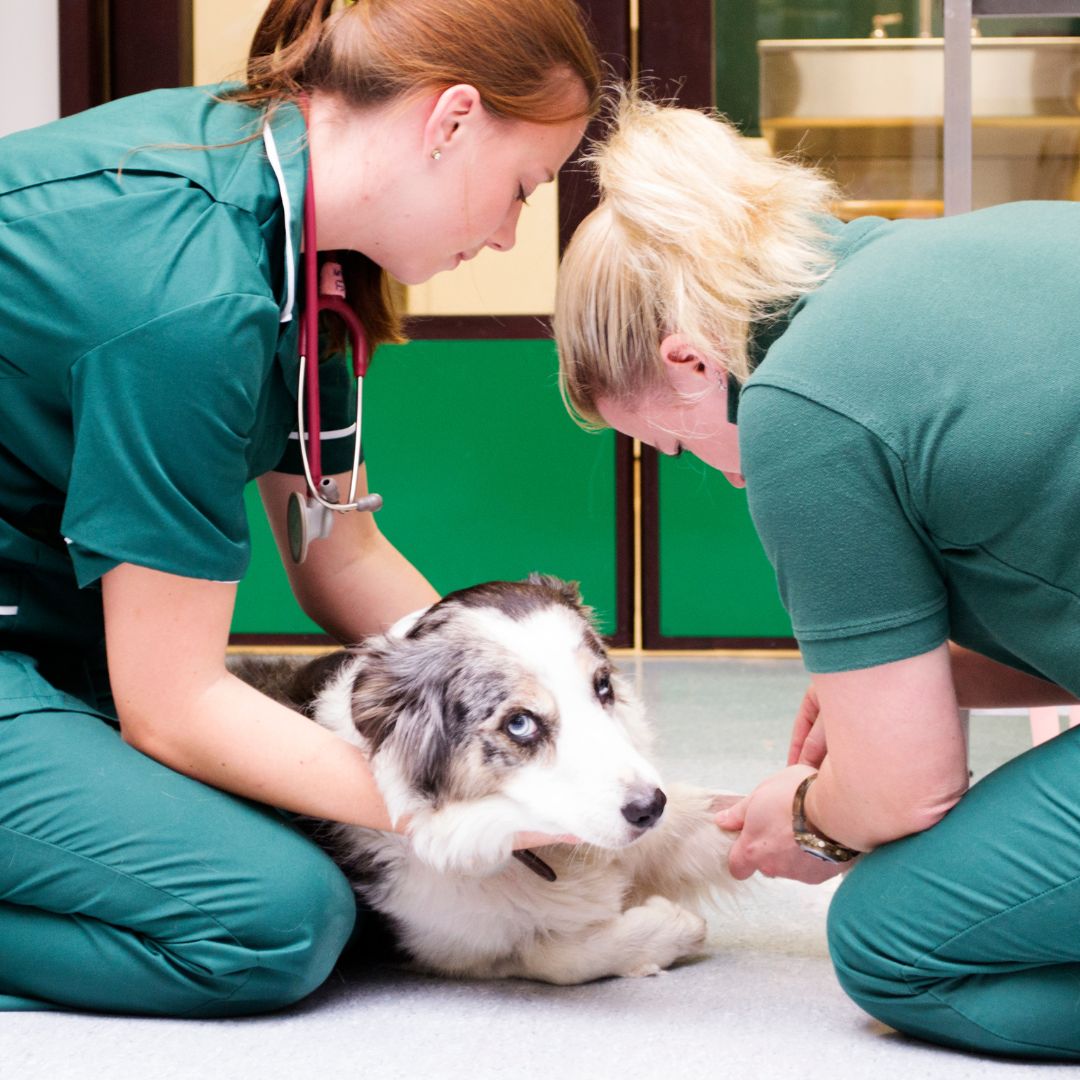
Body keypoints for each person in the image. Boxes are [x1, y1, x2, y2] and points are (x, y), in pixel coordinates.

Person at [0, 0, 600, 1016]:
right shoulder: (188, 291)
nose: (508, 237)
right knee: (272, 916)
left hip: (54, 636)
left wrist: (545, 710)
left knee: (316, 827)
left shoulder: (298, 250)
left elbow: (342, 562)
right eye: (521, 190)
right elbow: (173, 705)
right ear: (451, 120)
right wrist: (466, 803)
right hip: (70, 653)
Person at [553, 93, 1080, 1061]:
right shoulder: (929, 259)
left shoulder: (798, 403)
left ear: (691, 363)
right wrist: (937, 677)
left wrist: (803, 818)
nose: (718, 470)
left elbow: (909, 795)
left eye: (675, 445)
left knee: (891, 937)